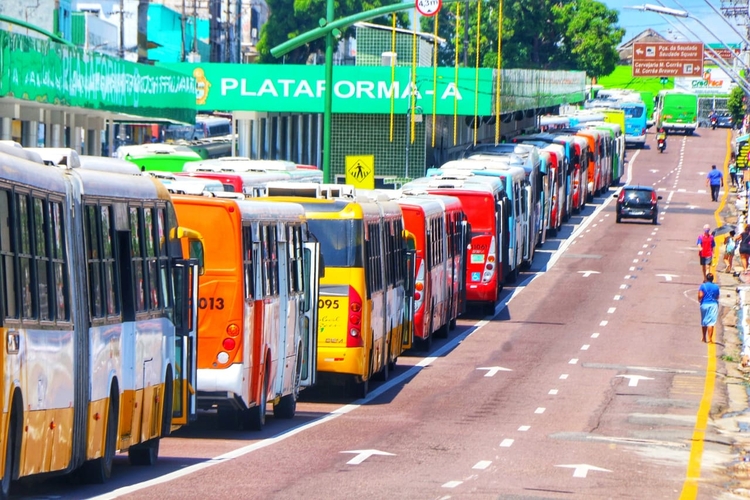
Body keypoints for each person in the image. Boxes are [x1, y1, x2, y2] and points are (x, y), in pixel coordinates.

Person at [698, 273, 720, 343]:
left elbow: (700, 295)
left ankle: (704, 337)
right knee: (711, 322)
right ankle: (710, 339)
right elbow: (717, 297)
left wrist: (699, 300)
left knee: (704, 321)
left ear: (706, 279)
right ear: (712, 279)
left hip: (704, 304)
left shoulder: (703, 286)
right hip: (713, 305)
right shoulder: (716, 287)